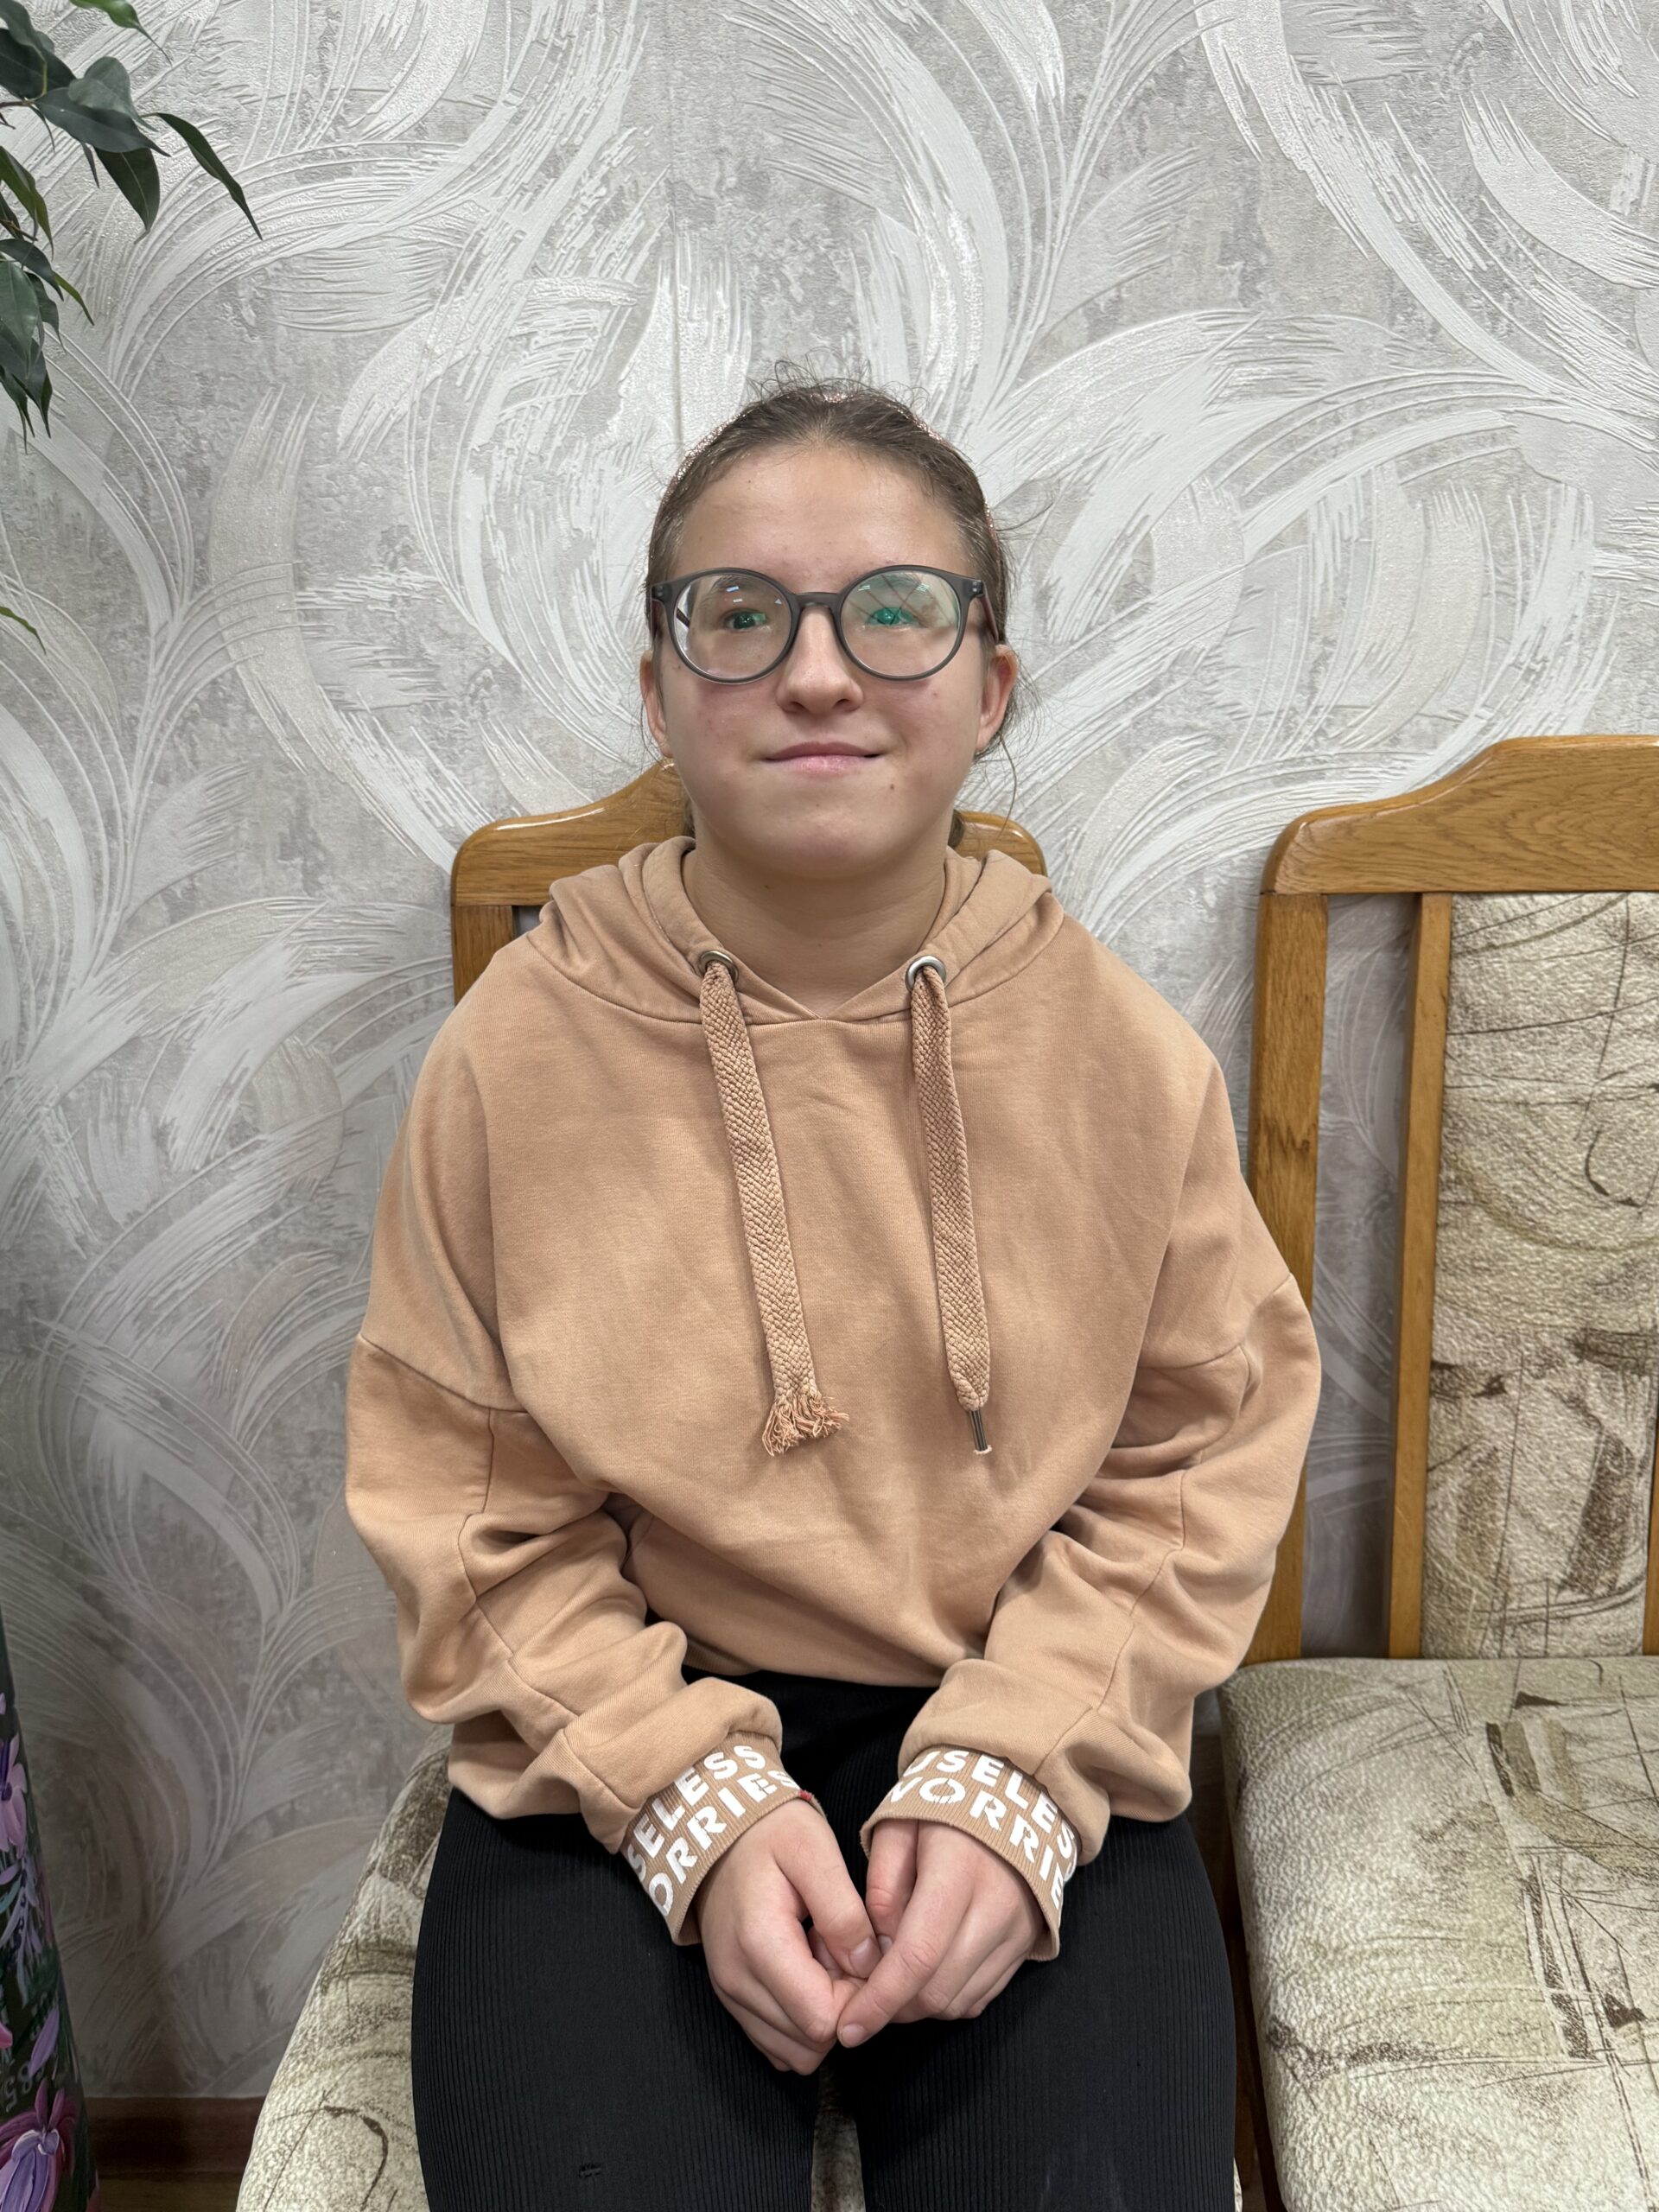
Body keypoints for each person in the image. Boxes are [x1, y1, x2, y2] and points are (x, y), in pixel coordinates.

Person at [344, 368, 1324, 2210]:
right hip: (616, 1733)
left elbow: (1207, 1443)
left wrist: (1012, 1779)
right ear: (660, 688)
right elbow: (463, 1500)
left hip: (1029, 1698)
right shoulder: (511, 1058)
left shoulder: (1121, 1054)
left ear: (989, 685)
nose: (817, 671)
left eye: (893, 610)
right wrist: (694, 1806)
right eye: (740, 614)